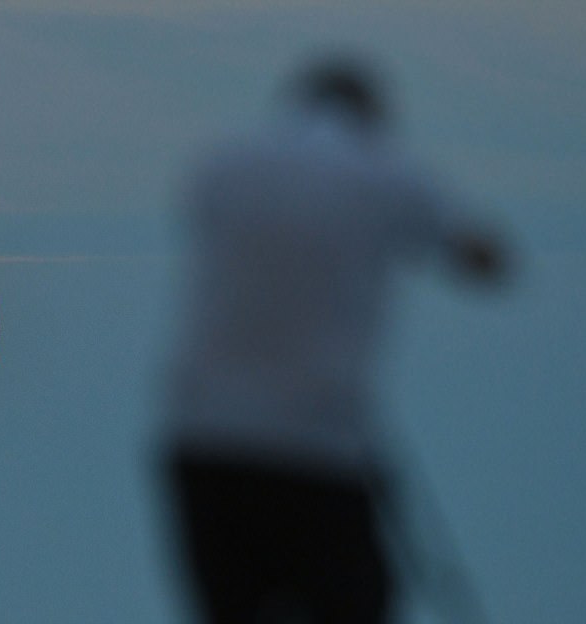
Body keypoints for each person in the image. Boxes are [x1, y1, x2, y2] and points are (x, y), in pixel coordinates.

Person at [162, 57, 505, 624]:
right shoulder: (387, 174)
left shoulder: (220, 165)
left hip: (202, 439)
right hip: (316, 447)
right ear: (370, 115)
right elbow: (482, 258)